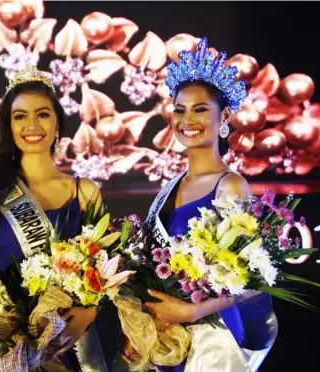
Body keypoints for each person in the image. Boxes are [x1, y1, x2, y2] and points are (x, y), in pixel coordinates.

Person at [120, 38, 278, 371]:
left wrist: (193, 311)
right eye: (179, 109)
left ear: (225, 116)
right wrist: (142, 329)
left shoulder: (231, 185)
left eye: (200, 109)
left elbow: (251, 281)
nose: (187, 118)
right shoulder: (169, 187)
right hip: (168, 337)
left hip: (213, 339)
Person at [0, 66, 108, 371]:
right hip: (9, 350)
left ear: (58, 124)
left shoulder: (84, 192)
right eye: (20, 116)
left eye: (42, 114)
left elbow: (107, 268)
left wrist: (88, 312)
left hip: (71, 345)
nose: (32, 125)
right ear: (8, 126)